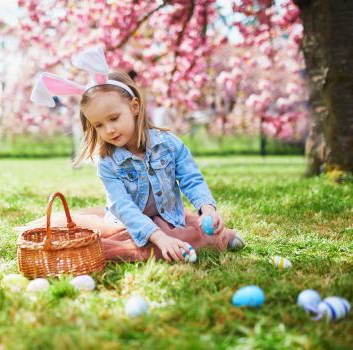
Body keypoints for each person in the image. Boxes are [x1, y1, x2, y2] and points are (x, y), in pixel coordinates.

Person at [20, 47, 245, 262]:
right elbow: (124, 206)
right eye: (98, 125)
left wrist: (207, 209)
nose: (109, 130)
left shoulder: (168, 144)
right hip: (129, 223)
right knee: (150, 246)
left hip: (167, 216)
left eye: (114, 118)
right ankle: (176, 240)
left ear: (134, 107)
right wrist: (159, 236)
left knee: (189, 229)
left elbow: (191, 178)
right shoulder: (108, 162)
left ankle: (217, 235)